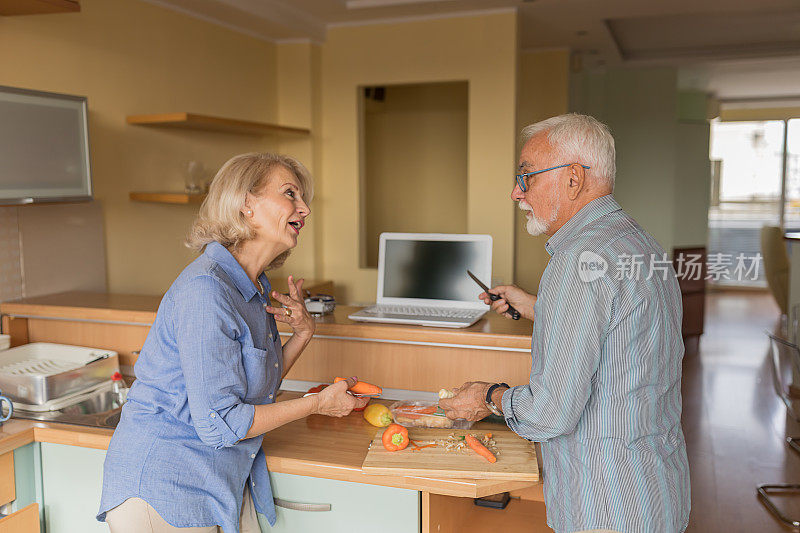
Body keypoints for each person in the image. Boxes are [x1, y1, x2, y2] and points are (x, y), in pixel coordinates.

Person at [439, 114, 690, 533]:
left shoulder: (577, 263)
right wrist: (539, 306)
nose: (516, 192)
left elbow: (549, 415)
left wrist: (488, 395)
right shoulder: (636, 243)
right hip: (656, 489)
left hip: (607, 504)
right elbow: (622, 326)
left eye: (527, 176)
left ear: (573, 179)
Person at [97, 153, 368, 532]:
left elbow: (252, 387)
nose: (304, 208)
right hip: (164, 491)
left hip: (214, 481)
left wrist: (303, 334)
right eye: (290, 193)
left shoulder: (253, 286)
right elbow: (221, 421)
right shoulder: (206, 290)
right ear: (245, 204)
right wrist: (317, 404)